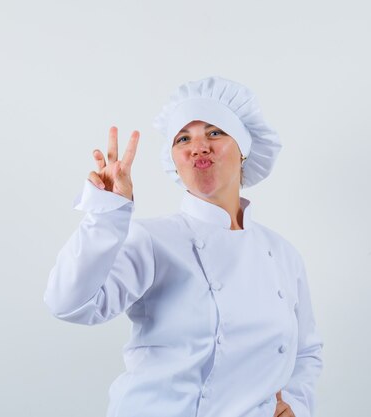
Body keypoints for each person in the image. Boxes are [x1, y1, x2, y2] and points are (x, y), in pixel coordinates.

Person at [44, 76, 323, 417]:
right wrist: (106, 214)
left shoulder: (282, 254)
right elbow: (69, 304)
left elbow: (306, 351)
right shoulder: (153, 240)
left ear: (245, 148)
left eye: (214, 133)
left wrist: (294, 406)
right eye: (183, 138)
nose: (198, 146)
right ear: (174, 161)